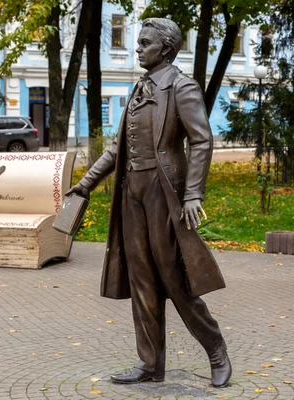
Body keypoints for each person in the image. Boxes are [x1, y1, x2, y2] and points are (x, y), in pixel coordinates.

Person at [66, 18, 231, 388]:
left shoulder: (181, 87)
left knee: (175, 280)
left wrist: (192, 194)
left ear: (166, 49)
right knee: (142, 279)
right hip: (132, 194)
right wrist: (86, 184)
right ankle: (150, 363)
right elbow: (116, 147)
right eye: (138, 43)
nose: (137, 48)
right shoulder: (138, 89)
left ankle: (216, 348)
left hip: (164, 191)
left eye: (144, 43)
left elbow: (201, 140)